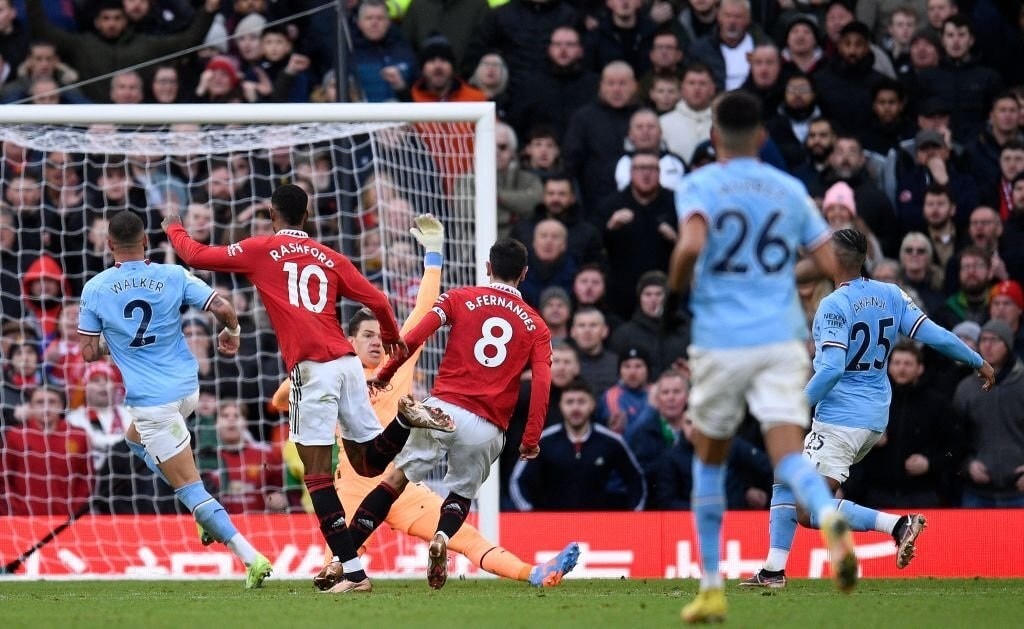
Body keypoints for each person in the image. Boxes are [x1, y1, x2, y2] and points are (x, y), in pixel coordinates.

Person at [162, 185, 454, 593]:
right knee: (368, 464)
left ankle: (353, 574)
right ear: (307, 215)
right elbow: (378, 299)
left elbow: (195, 255)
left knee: (317, 477)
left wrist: (173, 227)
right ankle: (404, 422)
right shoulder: (329, 257)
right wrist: (392, 338)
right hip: (349, 366)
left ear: (271, 213)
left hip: (312, 370)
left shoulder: (261, 248)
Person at [272, 216, 577, 589]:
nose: (374, 342)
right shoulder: (335, 374)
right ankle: (347, 569)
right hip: (352, 486)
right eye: (366, 336)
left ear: (488, 268)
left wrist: (433, 256)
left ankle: (532, 572)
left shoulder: (394, 363)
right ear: (349, 340)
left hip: (409, 462)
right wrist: (306, 384)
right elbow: (279, 400)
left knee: (465, 535)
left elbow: (423, 313)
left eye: (377, 335)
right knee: (339, 571)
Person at [666, 90, 856, 623]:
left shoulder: (700, 183)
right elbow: (829, 261)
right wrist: (774, 279)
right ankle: (828, 517)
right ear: (763, 137)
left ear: (713, 137)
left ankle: (710, 587)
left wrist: (675, 294)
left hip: (721, 338)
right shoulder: (789, 188)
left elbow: (689, 247)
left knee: (709, 460)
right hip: (780, 339)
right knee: (789, 458)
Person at [742, 229, 994, 589]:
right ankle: (772, 570)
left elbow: (830, 369)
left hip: (841, 418)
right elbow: (934, 334)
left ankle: (897, 525)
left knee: (808, 509)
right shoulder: (889, 294)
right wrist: (976, 359)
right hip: (874, 414)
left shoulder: (832, 305)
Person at [366, 238, 576, 591]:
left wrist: (384, 374)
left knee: (394, 480)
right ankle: (442, 539)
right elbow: (542, 382)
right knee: (461, 499)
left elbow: (414, 336)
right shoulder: (536, 325)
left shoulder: (459, 298)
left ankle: (346, 561)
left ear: (487, 268)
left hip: (438, 411)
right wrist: (531, 438)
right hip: (486, 424)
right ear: (524, 274)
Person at [76, 210, 273, 588]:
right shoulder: (172, 275)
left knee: (190, 488)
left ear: (108, 245)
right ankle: (206, 515)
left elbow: (87, 352)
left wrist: (112, 343)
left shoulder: (96, 288)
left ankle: (250, 556)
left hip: (153, 403)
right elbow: (223, 306)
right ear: (147, 240)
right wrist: (231, 332)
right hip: (188, 389)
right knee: (134, 442)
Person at [510, 378, 646, 511]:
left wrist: (633, 516)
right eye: (569, 402)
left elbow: (636, 479)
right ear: (561, 406)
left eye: (581, 402)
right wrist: (530, 516)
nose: (575, 408)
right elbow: (518, 481)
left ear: (592, 405)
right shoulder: (543, 441)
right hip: (553, 526)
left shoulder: (611, 441)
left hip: (598, 525)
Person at [954, 320, 1024, 507]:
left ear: (1008, 345)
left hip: (1018, 490)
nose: (988, 345)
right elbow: (954, 439)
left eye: (995, 340)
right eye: (983, 339)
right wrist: (967, 465)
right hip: (977, 492)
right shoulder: (966, 388)